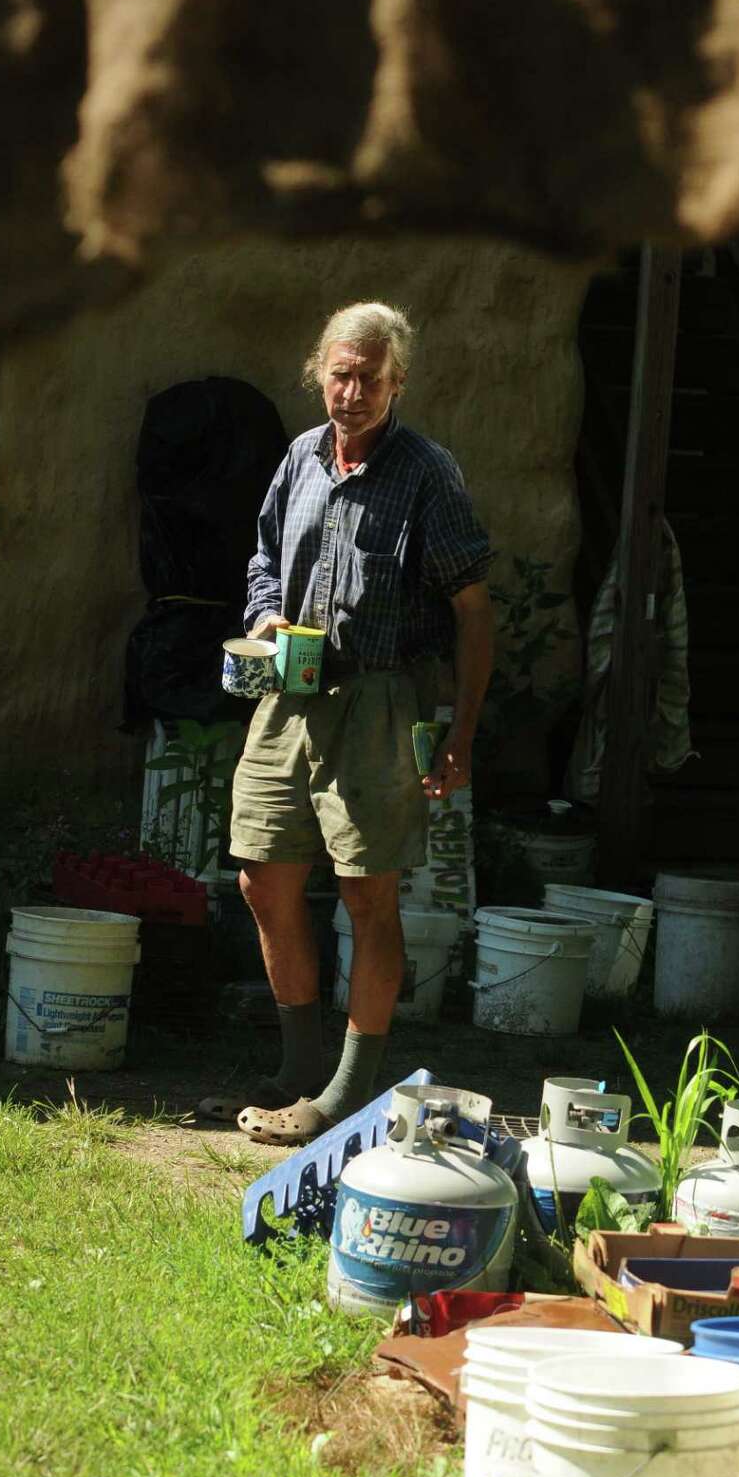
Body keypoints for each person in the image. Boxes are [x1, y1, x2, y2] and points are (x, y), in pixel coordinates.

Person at [200, 301, 493, 1146]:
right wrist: (262, 616)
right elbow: (262, 560)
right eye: (340, 372)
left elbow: (475, 612)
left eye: (370, 375)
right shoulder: (298, 460)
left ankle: (349, 1090)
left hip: (381, 698)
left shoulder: (427, 473)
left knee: (369, 893)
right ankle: (299, 1068)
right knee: (262, 873)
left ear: (398, 381)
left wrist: (459, 732)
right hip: (286, 698)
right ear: (318, 373)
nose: (352, 390)